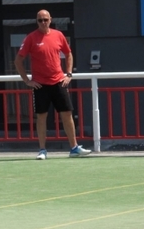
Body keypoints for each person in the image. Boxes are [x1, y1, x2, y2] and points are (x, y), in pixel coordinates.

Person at [14, 9, 92, 159]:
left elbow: (68, 54)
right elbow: (18, 60)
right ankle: (42, 150)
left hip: (58, 82)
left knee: (67, 113)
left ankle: (74, 148)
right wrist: (27, 80)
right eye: (40, 20)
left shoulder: (58, 35)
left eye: (45, 19)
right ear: (37, 21)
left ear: (50, 20)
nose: (43, 22)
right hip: (40, 85)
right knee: (41, 116)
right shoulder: (31, 38)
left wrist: (69, 74)